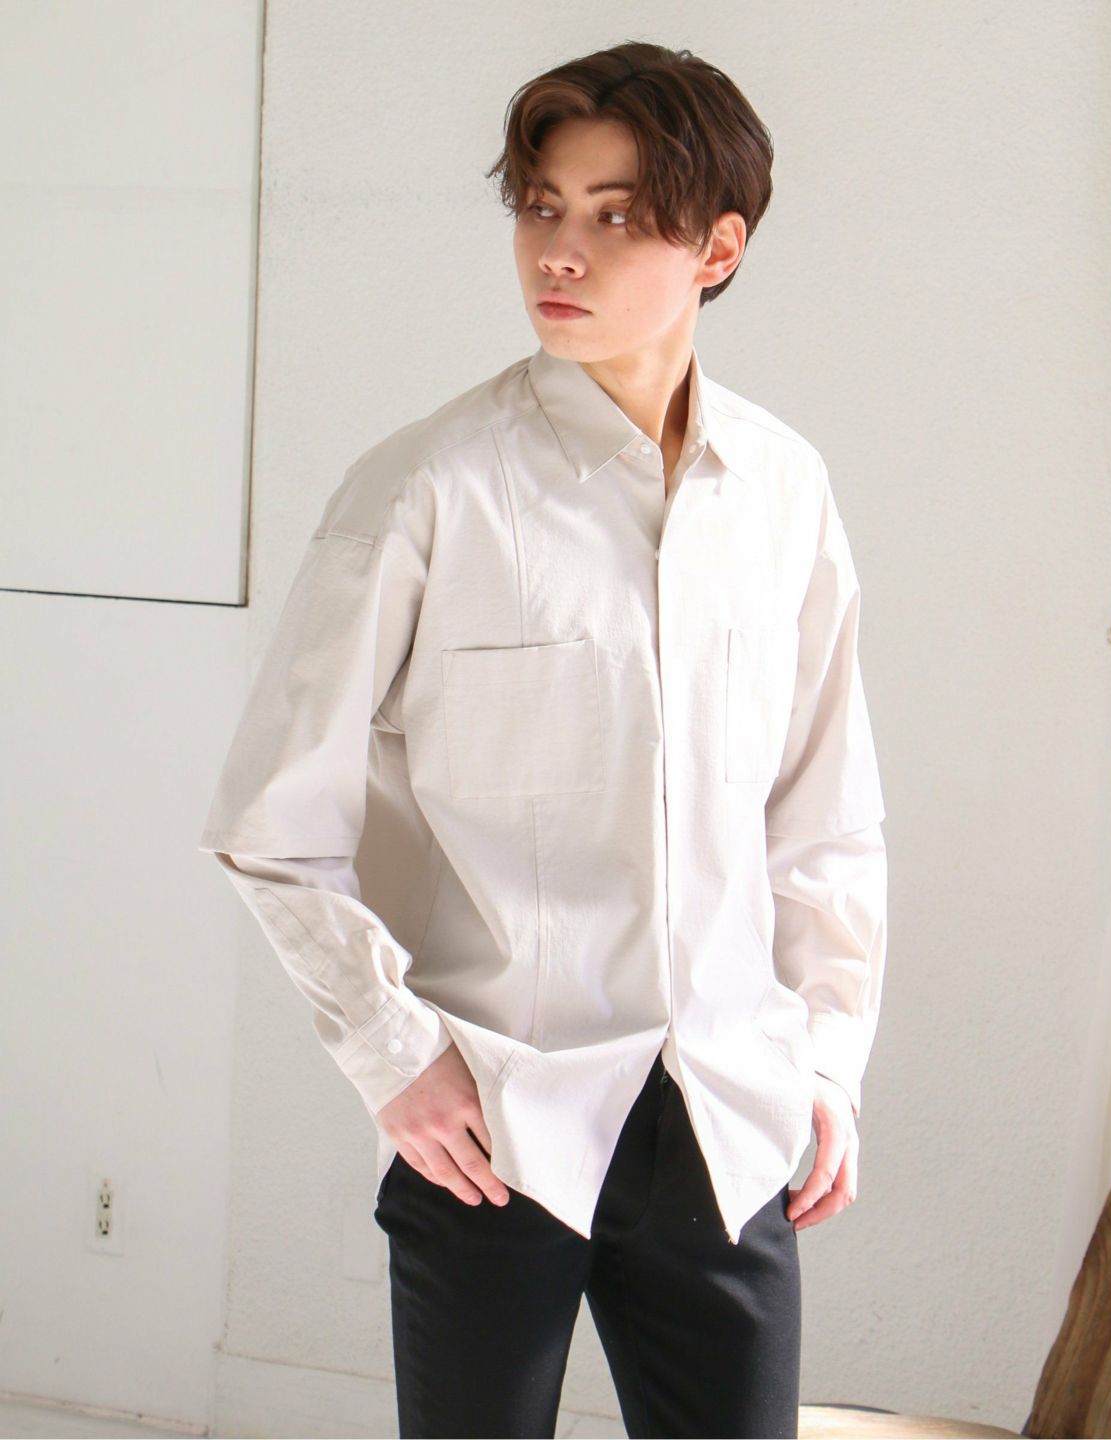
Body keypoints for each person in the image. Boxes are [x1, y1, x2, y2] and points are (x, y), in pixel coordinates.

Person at [198, 39, 888, 1440]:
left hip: (727, 1117)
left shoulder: (784, 491)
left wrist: (826, 1060)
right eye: (541, 206)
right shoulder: (426, 488)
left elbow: (823, 813)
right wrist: (393, 1056)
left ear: (719, 247)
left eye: (617, 215)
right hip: (495, 1120)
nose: (559, 252)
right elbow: (273, 825)